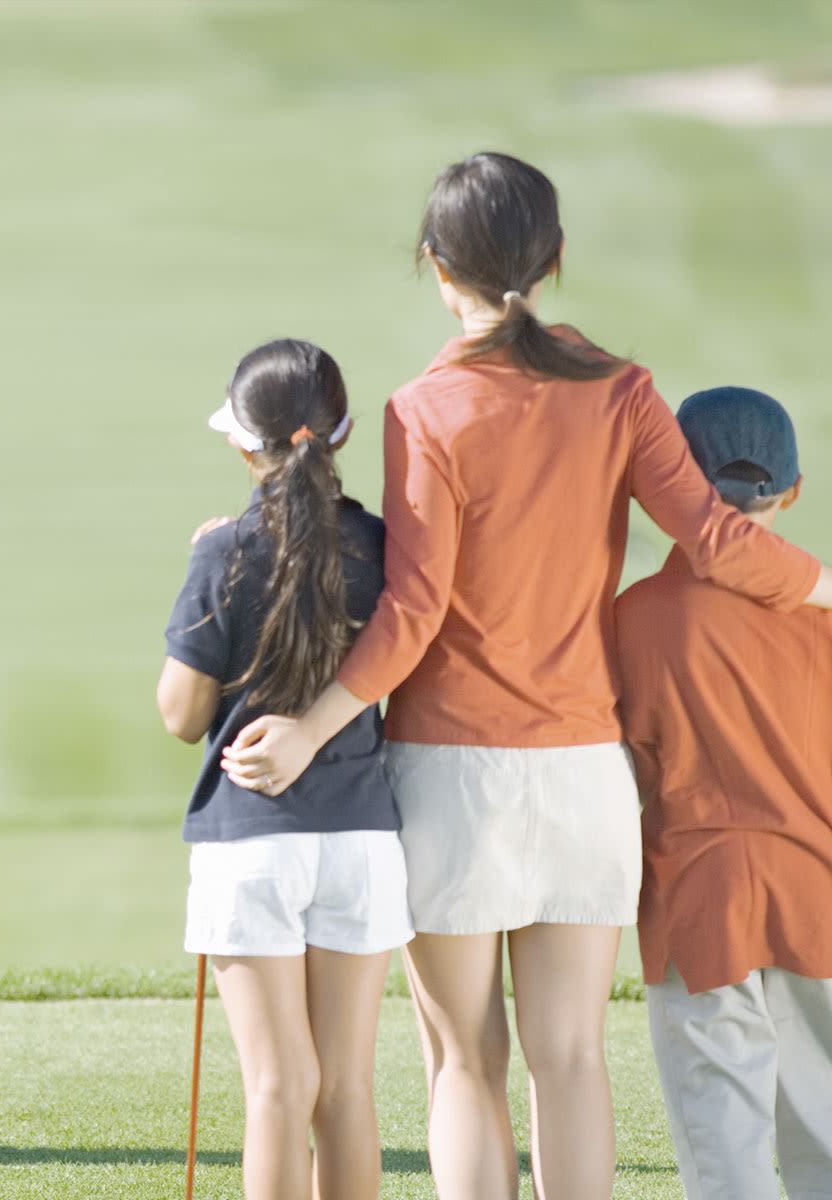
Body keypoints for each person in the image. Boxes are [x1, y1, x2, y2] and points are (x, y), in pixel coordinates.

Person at [222, 153, 832, 1200]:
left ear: (433, 263)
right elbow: (720, 544)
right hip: (583, 779)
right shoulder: (626, 393)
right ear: (555, 260)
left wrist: (310, 728)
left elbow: (412, 612)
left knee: (466, 1063)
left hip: (452, 775)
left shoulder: (424, 408)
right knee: (573, 1061)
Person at [157, 339, 413, 1200]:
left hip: (250, 843)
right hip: (362, 843)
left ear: (241, 442)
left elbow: (181, 713)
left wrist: (204, 569)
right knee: (344, 1090)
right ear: (338, 433)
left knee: (275, 1089)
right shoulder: (381, 545)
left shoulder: (221, 553)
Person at [616, 386, 832, 1199]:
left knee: (724, 1136)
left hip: (700, 893)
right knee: (825, 1125)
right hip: (819, 891)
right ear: (795, 491)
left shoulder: (634, 617)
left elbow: (630, 767)